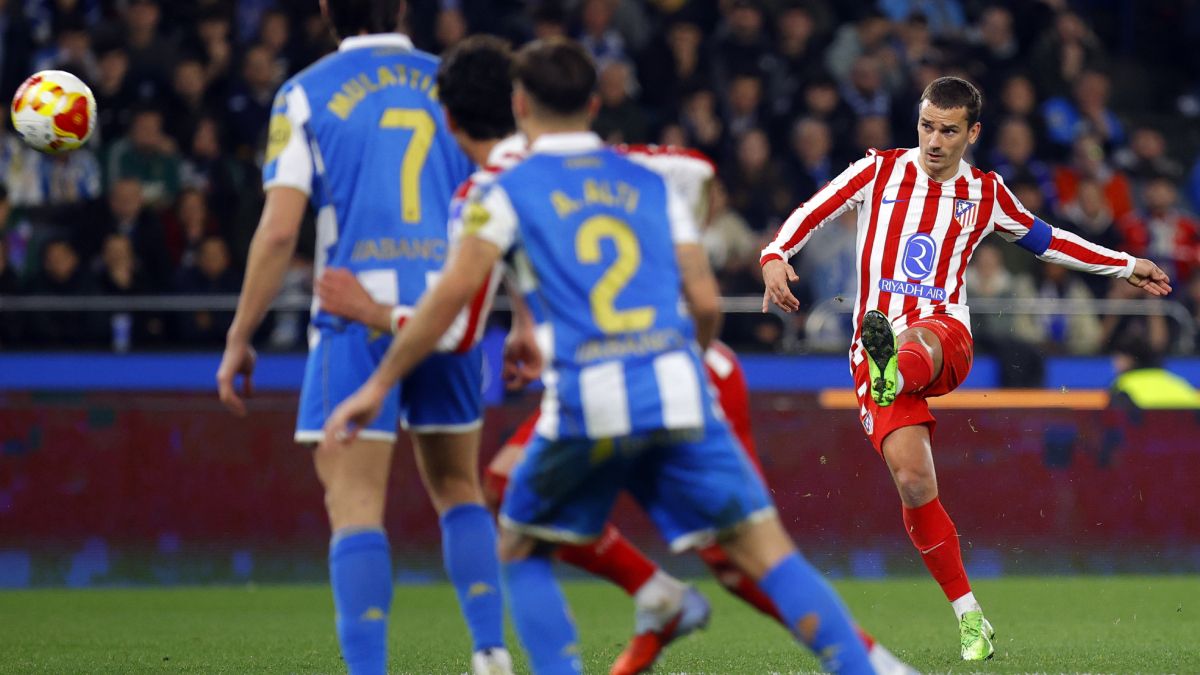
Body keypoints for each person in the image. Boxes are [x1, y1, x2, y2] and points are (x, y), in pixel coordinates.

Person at [326, 37, 899, 675]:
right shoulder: (649, 180)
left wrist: (375, 385)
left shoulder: (497, 193)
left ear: (521, 105)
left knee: (518, 544)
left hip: (587, 402)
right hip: (679, 388)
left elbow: (449, 309)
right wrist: (679, 359)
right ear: (595, 104)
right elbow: (705, 303)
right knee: (768, 554)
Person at [761, 76, 1171, 661]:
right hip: (874, 343)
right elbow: (812, 210)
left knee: (917, 340)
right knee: (914, 482)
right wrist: (775, 255)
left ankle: (892, 366)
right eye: (926, 126)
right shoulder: (877, 171)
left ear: (972, 133)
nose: (934, 141)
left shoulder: (985, 192)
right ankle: (970, 616)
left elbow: (1049, 240)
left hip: (942, 335)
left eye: (948, 131)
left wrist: (1126, 265)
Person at [215, 3, 511, 674]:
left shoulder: (304, 93)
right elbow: (503, 195)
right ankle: (490, 649)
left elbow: (280, 231)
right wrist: (518, 314)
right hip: (444, 310)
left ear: (325, 9)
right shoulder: (453, 82)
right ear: (402, 7)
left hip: (353, 314)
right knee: (458, 486)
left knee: (354, 505)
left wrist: (240, 333)